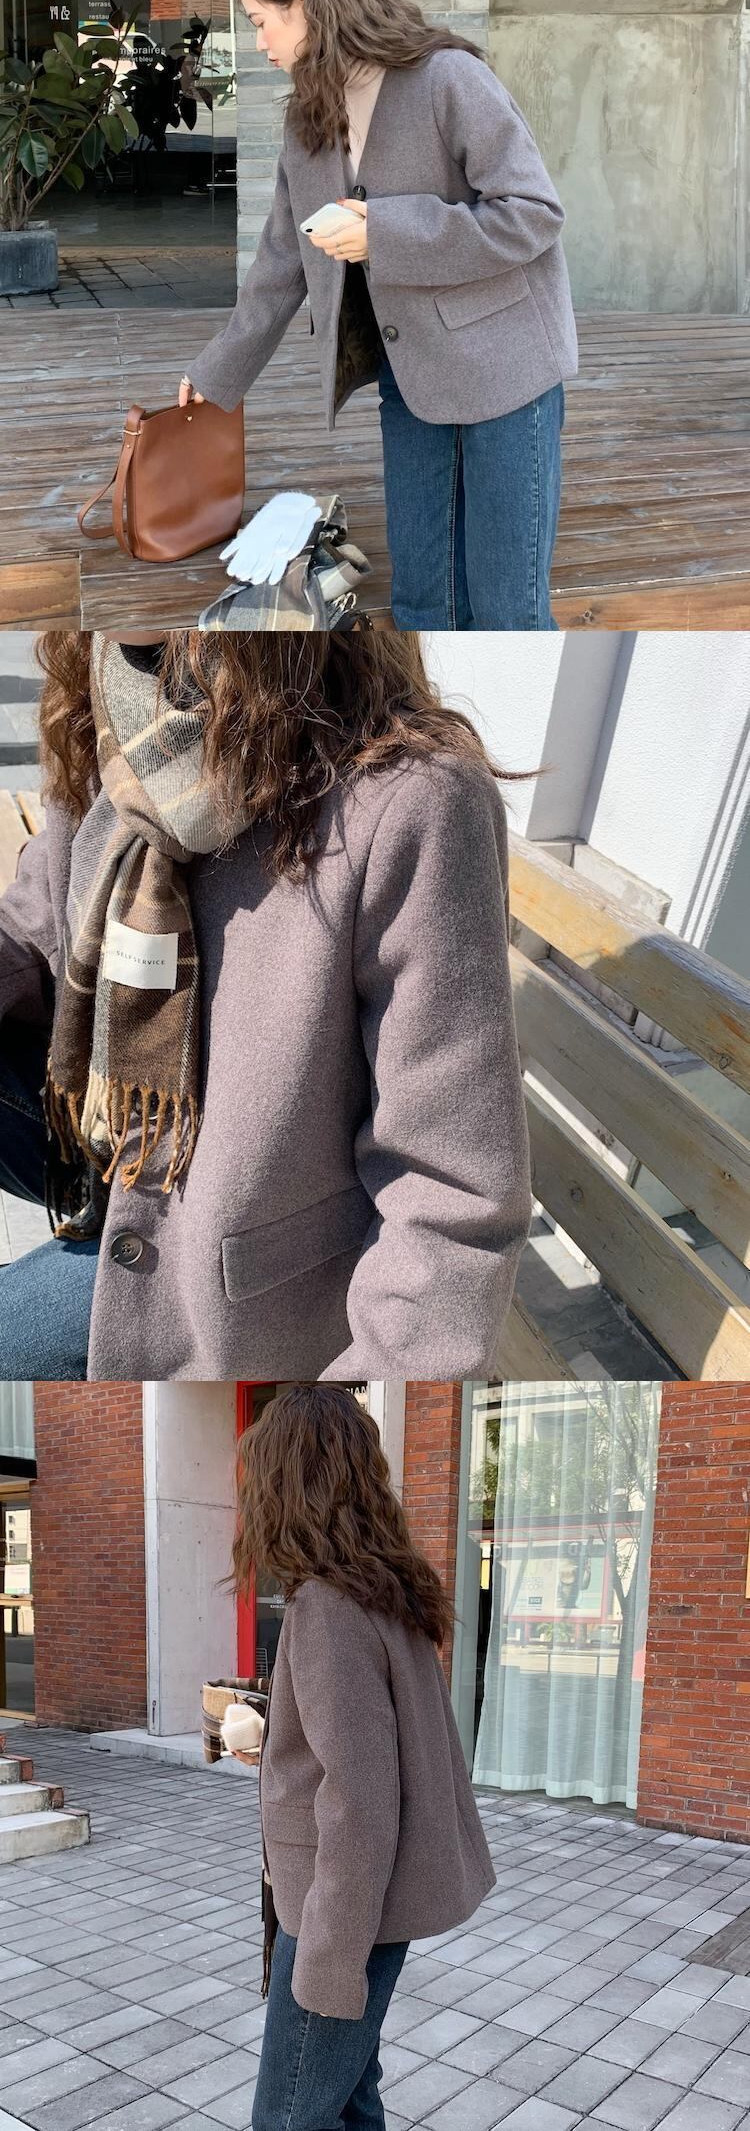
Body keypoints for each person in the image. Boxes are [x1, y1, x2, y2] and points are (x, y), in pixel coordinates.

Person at [0, 623, 532, 1383]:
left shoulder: (412, 798)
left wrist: (342, 1413)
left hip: (220, 1275)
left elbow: (452, 1192)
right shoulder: (110, 704)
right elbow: (37, 920)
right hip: (107, 1137)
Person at [179, 0, 578, 632]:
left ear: (305, 4)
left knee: (506, 608)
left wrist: (384, 231)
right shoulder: (308, 119)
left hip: (506, 371)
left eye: (263, 22)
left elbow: (533, 213)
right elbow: (282, 261)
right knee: (421, 599)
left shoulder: (448, 78)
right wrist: (218, 373)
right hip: (410, 373)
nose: (259, 43)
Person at [226, 1383, 497, 2131]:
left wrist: (328, 1960)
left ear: (283, 1484)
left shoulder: (327, 1607)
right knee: (350, 2100)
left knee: (288, 2117)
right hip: (365, 1904)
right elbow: (369, 1751)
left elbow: (361, 1801)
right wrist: (277, 1740)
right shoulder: (387, 1591)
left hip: (339, 1914)